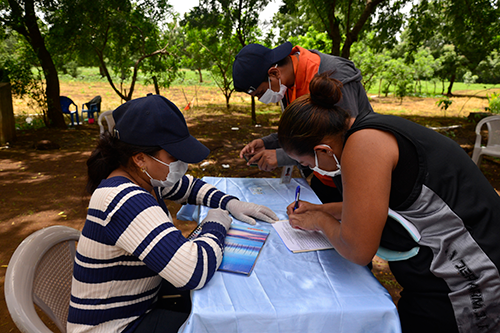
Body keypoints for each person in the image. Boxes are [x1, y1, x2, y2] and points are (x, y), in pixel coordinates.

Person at [278, 73, 500, 333]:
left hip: (469, 276)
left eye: (306, 164)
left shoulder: (364, 146)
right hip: (436, 272)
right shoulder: (363, 133)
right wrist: (320, 209)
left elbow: (358, 250)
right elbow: (375, 207)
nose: (312, 170)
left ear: (323, 150)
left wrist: (319, 220)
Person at [67, 94, 278, 333]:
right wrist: (215, 223)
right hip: (116, 327)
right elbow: (192, 271)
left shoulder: (141, 177)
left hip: (141, 305)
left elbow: (189, 187)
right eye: (173, 157)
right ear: (140, 158)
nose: (181, 164)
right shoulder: (124, 200)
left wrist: (230, 203)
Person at [232, 41, 373, 203]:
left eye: (261, 92)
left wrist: (281, 156)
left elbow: (344, 142)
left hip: (354, 182)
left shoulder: (333, 76)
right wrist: (268, 143)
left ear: (274, 73)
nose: (261, 99)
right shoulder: (287, 84)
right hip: (324, 177)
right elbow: (304, 130)